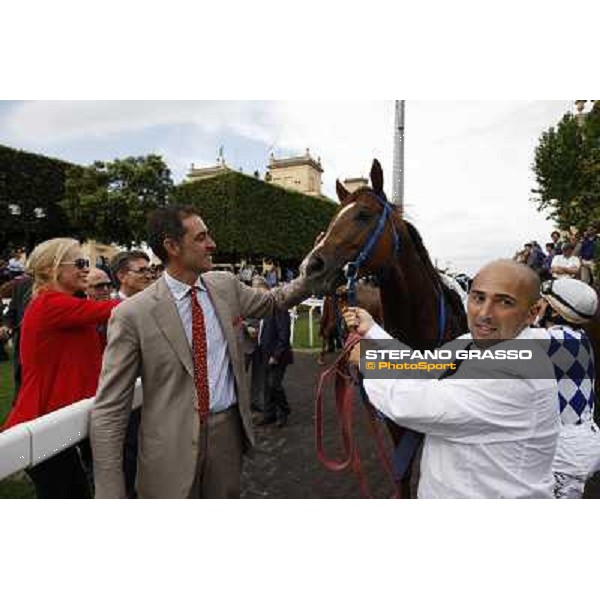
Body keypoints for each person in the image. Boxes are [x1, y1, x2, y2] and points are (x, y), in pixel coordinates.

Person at [90, 205, 310, 499]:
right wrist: (109, 493)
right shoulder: (132, 314)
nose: (212, 244)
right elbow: (110, 408)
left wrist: (317, 269)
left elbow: (273, 301)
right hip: (168, 450)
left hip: (227, 438)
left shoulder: (225, 285)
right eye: (201, 237)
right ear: (172, 246)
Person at [343, 259, 559, 499]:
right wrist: (372, 330)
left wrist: (370, 363)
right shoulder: (471, 341)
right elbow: (423, 366)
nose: (485, 314)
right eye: (478, 298)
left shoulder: (519, 369)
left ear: (532, 313)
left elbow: (413, 406)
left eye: (504, 302)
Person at [2, 238, 119, 498]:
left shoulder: (63, 305)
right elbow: (115, 309)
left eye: (86, 263)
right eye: (79, 263)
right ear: (50, 269)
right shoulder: (49, 304)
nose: (86, 269)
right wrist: (163, 293)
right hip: (43, 422)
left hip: (60, 420)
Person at [536, 278, 600, 498]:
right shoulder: (579, 338)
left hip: (566, 452)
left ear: (553, 312)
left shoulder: (553, 340)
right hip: (579, 442)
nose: (536, 306)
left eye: (542, 302)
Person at [108, 250, 154, 498]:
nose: (149, 275)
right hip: (125, 399)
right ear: (122, 276)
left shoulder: (156, 305)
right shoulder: (107, 312)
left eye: (150, 270)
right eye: (142, 270)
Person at [253, 276, 294, 428]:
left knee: (273, 384)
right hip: (264, 352)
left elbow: (284, 335)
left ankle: (284, 410)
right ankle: (269, 414)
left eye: (258, 291)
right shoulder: (264, 307)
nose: (255, 294)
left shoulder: (279, 307)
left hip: (276, 355)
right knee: (266, 385)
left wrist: (276, 355)